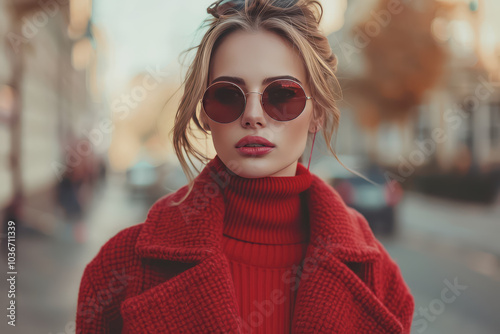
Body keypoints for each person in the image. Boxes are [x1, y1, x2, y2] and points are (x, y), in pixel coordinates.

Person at [76, 0, 415, 333]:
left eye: (282, 95)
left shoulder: (378, 277)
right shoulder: (119, 269)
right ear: (205, 114)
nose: (253, 116)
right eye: (227, 95)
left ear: (318, 114)